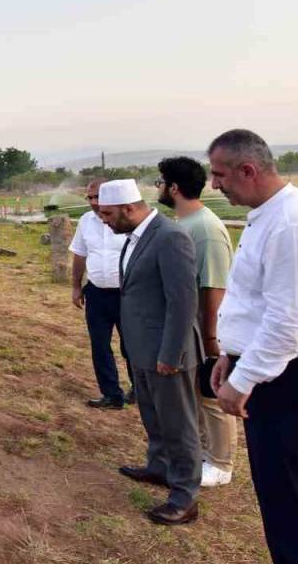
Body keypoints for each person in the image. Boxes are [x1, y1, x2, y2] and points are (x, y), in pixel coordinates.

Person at [208, 129, 298, 564]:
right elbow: (259, 303)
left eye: (219, 175)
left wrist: (244, 378)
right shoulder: (271, 216)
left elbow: (291, 321)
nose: (214, 185)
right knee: (288, 510)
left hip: (296, 386)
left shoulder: (294, 224)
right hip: (278, 377)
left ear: (247, 170)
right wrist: (231, 356)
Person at [96, 179, 201, 525]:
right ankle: (159, 467)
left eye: (108, 213)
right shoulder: (135, 237)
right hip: (141, 349)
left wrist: (171, 354)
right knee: (153, 416)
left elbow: (183, 302)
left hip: (166, 353)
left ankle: (185, 497)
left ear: (129, 208)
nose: (104, 220)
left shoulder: (169, 237)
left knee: (178, 425)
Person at [156, 156, 237, 488]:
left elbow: (213, 285)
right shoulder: (184, 224)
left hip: (205, 329)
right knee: (196, 394)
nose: (157, 188)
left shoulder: (205, 228)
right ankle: (204, 452)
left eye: (161, 182)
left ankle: (221, 463)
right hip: (188, 327)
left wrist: (211, 337)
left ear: (174, 188)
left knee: (211, 393)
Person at [69, 178, 134, 409]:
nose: (94, 202)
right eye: (90, 197)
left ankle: (138, 390)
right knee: (99, 345)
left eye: (98, 197)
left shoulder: (127, 221)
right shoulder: (86, 222)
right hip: (96, 292)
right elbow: (79, 254)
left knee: (132, 345)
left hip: (127, 294)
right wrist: (76, 286)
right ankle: (111, 395)